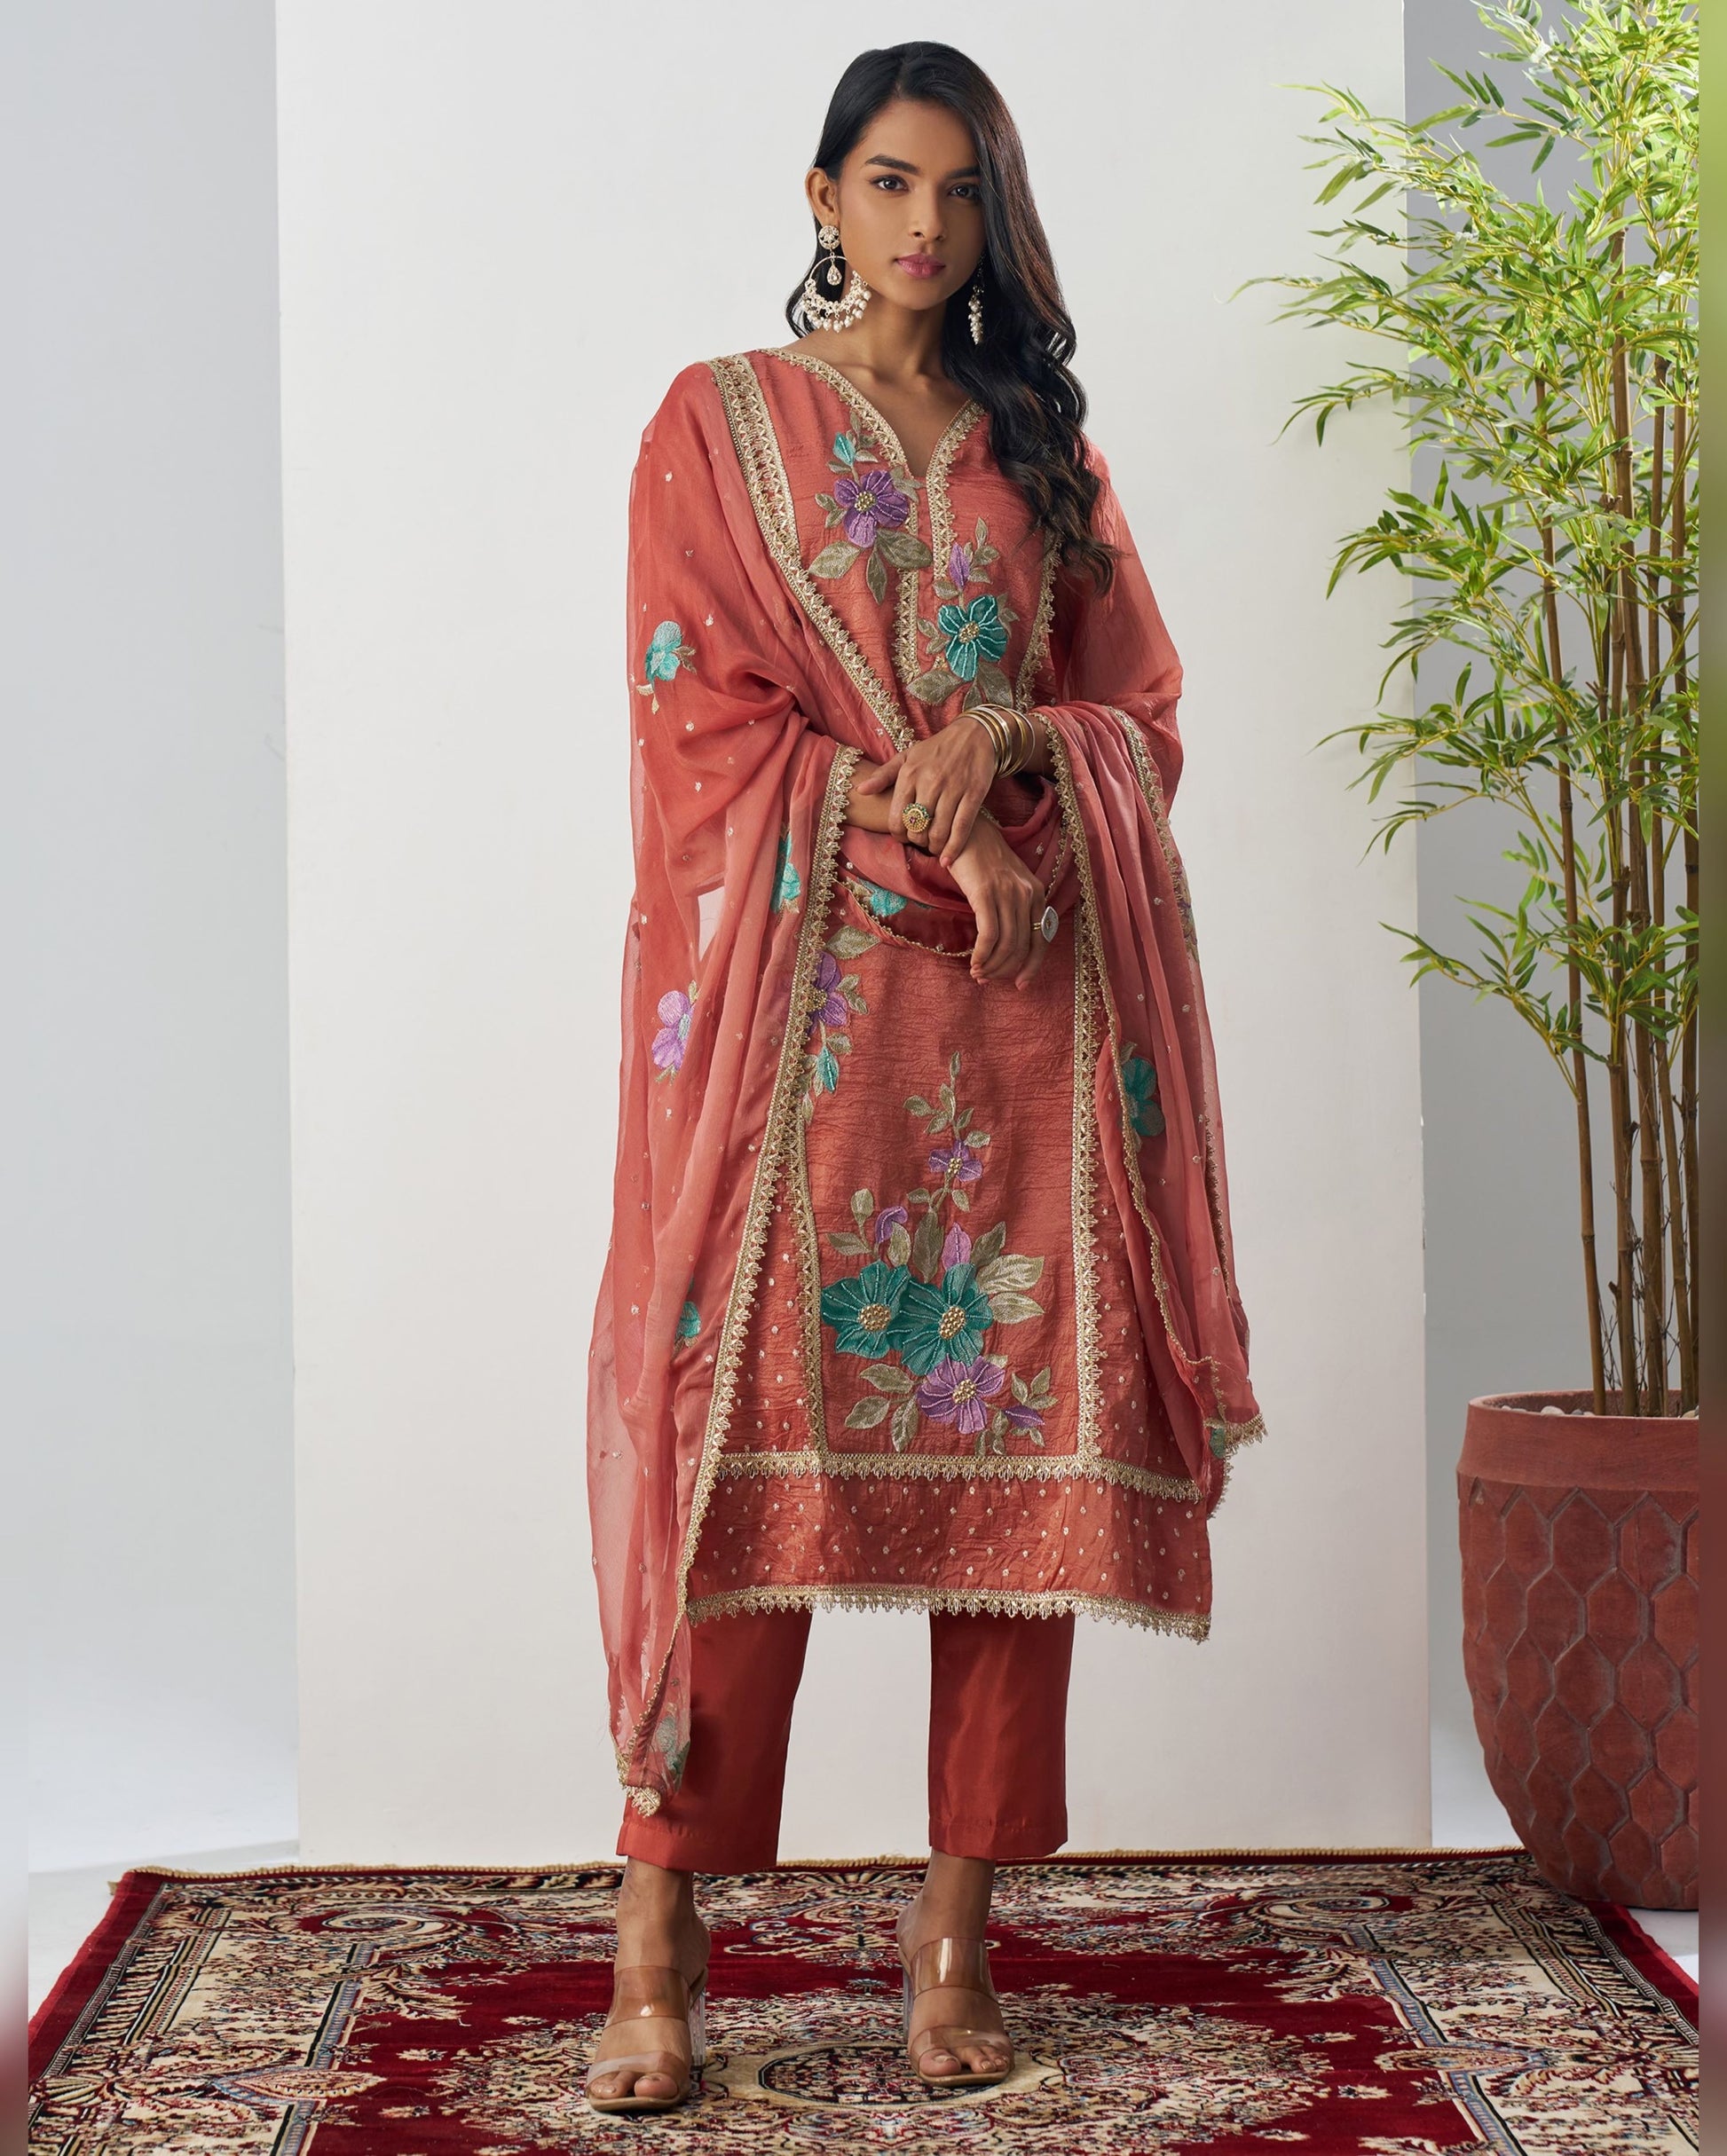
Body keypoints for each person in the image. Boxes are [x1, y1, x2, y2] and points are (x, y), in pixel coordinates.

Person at [583, 39, 1265, 2114]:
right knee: (740, 1473)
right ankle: (657, 1939)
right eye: (889, 183)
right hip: (802, 1038)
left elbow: (1136, 709)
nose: (924, 227)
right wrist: (917, 805)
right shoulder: (722, 430)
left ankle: (955, 1935)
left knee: (1009, 1521)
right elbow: (698, 725)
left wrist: (1022, 756)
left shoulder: (1033, 456)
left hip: (1019, 1029)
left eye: (961, 195)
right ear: (818, 198)